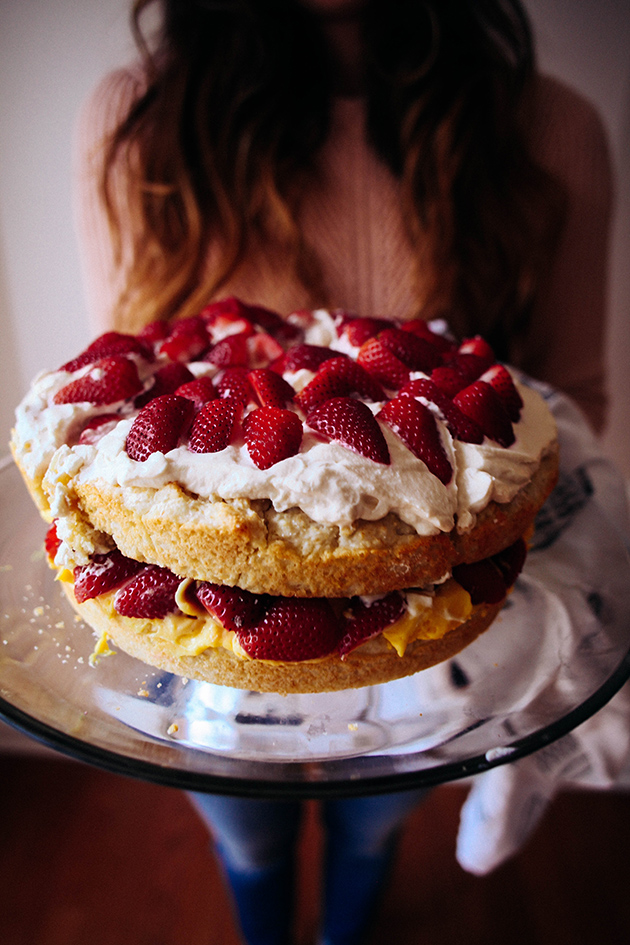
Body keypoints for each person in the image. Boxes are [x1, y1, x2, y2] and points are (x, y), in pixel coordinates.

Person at [73, 1, 614, 942]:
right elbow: (116, 424)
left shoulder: (552, 127)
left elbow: (567, 405)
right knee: (247, 835)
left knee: (376, 823)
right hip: (197, 632)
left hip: (443, 650)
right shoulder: (135, 120)